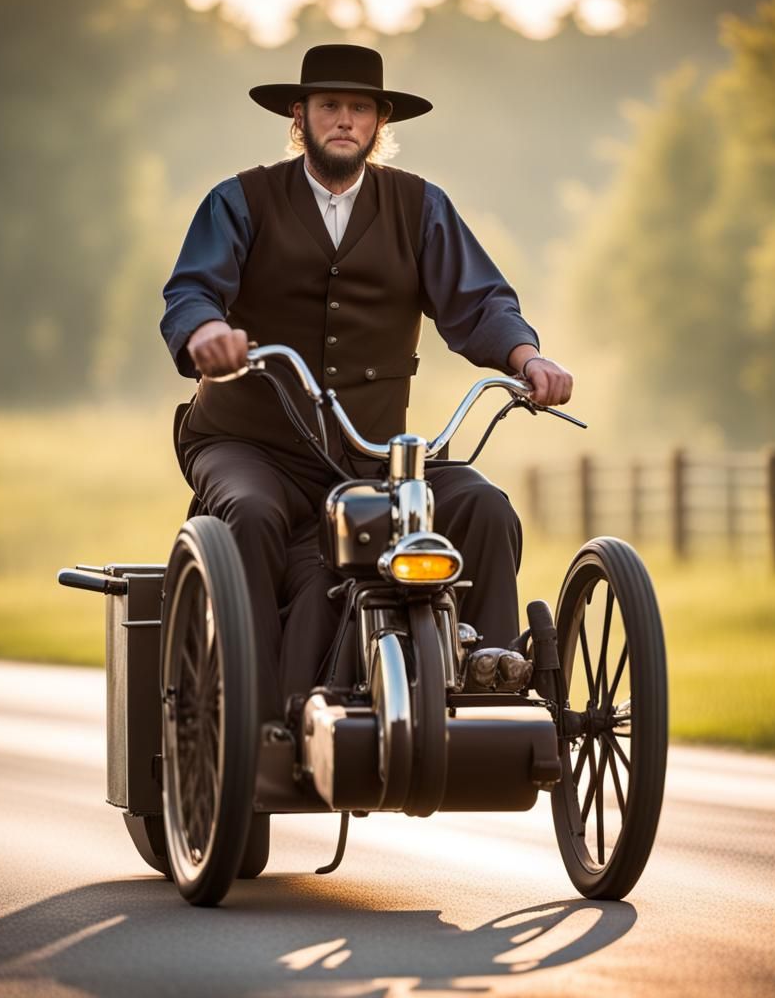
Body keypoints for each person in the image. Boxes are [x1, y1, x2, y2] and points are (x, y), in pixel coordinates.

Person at [161, 44, 573, 722]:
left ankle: (488, 684)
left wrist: (528, 359)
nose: (345, 119)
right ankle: (253, 720)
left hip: (367, 459)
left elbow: (480, 303)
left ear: (380, 122)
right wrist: (205, 332)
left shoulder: (420, 207)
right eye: (329, 105)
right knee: (253, 514)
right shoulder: (240, 200)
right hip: (248, 444)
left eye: (360, 108)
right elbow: (191, 291)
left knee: (483, 506)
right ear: (300, 116)